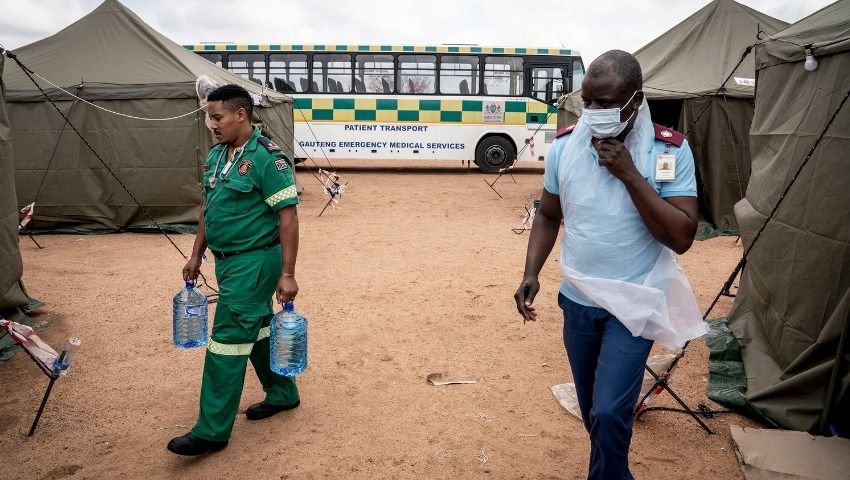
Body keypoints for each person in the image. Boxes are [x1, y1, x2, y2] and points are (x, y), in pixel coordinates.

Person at [514, 50, 704, 479]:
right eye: (589, 102)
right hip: (578, 298)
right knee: (593, 411)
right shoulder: (566, 147)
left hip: (636, 300)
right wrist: (531, 272)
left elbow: (682, 235)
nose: (595, 113)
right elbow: (547, 215)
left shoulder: (667, 150)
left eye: (607, 103)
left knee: (609, 410)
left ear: (636, 100)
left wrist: (631, 175)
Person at [168, 84, 301, 456]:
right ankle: (283, 393)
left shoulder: (268, 159)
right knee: (257, 329)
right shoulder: (216, 156)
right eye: (209, 117)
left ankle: (211, 431)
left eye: (217, 117)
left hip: (255, 261)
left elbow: (288, 218)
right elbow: (207, 210)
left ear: (241, 114)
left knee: (226, 342)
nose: (212, 124)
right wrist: (197, 256)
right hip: (227, 263)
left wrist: (287, 273)